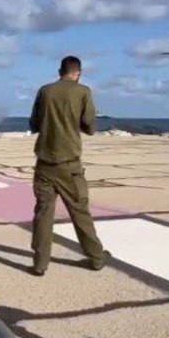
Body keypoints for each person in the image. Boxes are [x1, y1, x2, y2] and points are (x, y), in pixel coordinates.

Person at [28, 55, 108, 277]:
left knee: (43, 214)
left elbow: (33, 123)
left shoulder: (45, 91)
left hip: (44, 163)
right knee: (79, 212)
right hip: (69, 164)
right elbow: (90, 126)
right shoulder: (83, 92)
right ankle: (96, 257)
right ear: (78, 72)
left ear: (59, 71)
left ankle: (40, 263)